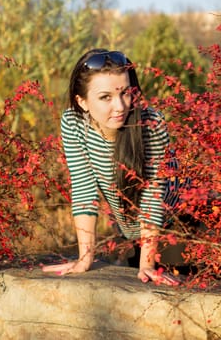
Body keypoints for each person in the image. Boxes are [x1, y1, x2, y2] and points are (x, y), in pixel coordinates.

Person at [42, 48, 179, 286]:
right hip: (135, 233)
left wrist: (147, 264)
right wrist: (85, 259)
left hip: (183, 227)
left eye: (125, 93)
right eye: (105, 97)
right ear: (82, 101)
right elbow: (84, 188)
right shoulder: (73, 124)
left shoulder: (151, 124)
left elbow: (153, 195)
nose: (120, 106)